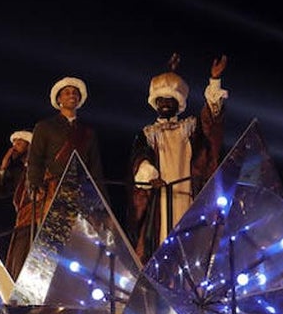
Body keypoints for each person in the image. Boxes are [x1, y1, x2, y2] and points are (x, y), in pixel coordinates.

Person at [127, 53, 228, 263]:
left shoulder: (190, 128)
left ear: (179, 103)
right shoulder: (147, 134)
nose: (165, 103)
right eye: (161, 99)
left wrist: (214, 81)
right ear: (155, 103)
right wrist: (148, 174)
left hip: (187, 196)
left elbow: (212, 123)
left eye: (170, 99)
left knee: (190, 249)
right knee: (158, 246)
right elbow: (139, 158)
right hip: (160, 201)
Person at [24, 76, 106, 239]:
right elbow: (35, 159)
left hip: (82, 194)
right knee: (53, 240)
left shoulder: (88, 132)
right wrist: (34, 185)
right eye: (67, 92)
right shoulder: (44, 127)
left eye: (75, 93)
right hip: (53, 190)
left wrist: (103, 204)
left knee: (81, 242)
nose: (72, 95)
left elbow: (95, 169)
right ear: (59, 99)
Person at [0, 129, 33, 279]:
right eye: (13, 143)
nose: (14, 147)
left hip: (41, 217)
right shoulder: (16, 173)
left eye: (19, 143)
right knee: (18, 262)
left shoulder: (42, 166)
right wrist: (3, 167)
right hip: (24, 220)